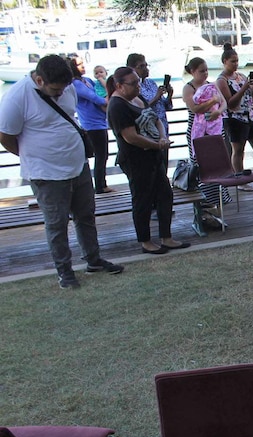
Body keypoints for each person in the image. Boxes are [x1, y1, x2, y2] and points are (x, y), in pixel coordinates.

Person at [0, 55, 124, 288]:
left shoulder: (68, 88)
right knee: (56, 224)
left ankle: (93, 259)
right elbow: (6, 137)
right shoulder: (16, 98)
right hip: (46, 173)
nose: (61, 94)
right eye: (56, 90)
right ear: (39, 80)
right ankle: (64, 272)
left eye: (64, 89)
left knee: (85, 216)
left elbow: (69, 114)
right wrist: (35, 157)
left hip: (77, 165)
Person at [107, 66, 190, 255]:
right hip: (135, 158)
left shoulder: (138, 98)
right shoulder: (117, 106)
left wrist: (162, 137)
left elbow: (155, 119)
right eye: (133, 83)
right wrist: (157, 145)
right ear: (119, 86)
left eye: (138, 81)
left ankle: (166, 237)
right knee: (142, 199)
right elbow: (130, 137)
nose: (138, 86)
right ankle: (145, 241)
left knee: (165, 194)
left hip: (153, 155)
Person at [216, 43, 253, 190]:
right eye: (233, 61)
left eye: (237, 61)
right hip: (234, 118)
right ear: (225, 62)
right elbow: (230, 102)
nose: (236, 64)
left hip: (250, 116)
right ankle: (240, 181)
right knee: (238, 150)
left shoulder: (241, 76)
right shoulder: (222, 80)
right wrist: (244, 88)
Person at [181, 57, 230, 207]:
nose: (205, 74)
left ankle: (219, 197)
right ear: (193, 72)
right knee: (200, 164)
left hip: (214, 128)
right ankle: (204, 199)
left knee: (217, 163)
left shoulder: (212, 85)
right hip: (198, 130)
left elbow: (224, 103)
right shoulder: (188, 88)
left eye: (206, 70)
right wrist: (212, 101)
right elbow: (195, 108)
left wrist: (218, 112)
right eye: (201, 71)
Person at [68, 55, 113, 194]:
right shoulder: (75, 84)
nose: (83, 66)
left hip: (100, 122)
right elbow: (94, 97)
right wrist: (106, 100)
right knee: (100, 155)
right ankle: (100, 185)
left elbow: (99, 91)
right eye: (79, 64)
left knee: (103, 155)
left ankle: (101, 183)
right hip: (91, 124)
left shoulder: (87, 80)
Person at [127, 53, 172, 172]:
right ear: (132, 69)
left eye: (146, 65)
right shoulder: (133, 88)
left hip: (162, 125)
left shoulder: (151, 83)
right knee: (153, 165)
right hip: (148, 131)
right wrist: (156, 97)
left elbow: (164, 105)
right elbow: (141, 109)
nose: (146, 69)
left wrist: (169, 95)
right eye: (141, 66)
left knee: (164, 160)